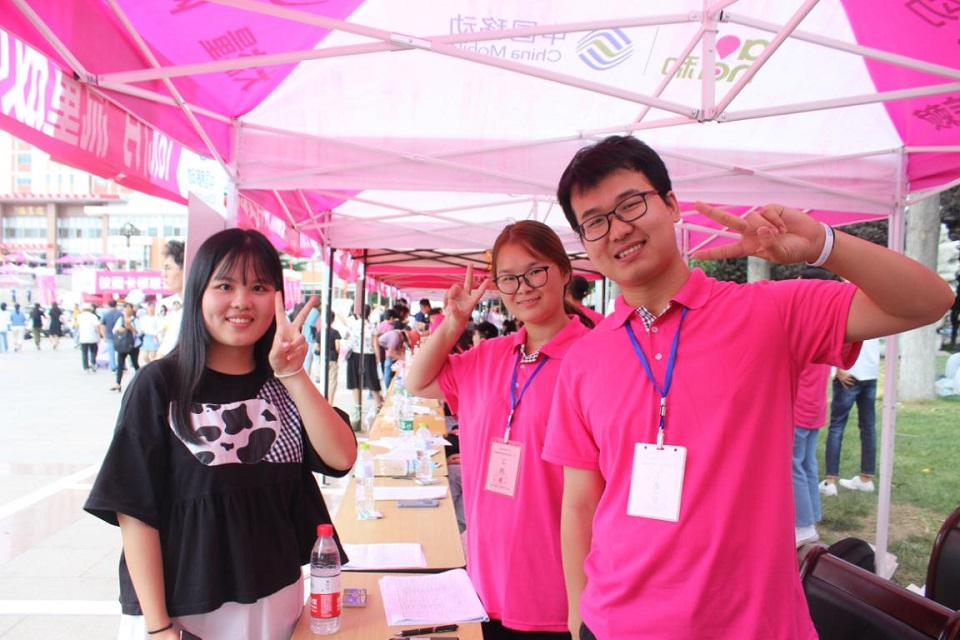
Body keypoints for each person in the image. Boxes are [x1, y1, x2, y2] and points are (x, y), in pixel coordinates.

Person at [541, 135, 953, 640]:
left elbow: (927, 301)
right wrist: (577, 617)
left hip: (753, 625)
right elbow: (580, 502)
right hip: (616, 622)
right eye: (595, 221)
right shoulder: (584, 358)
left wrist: (824, 246)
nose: (618, 229)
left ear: (671, 205)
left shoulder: (767, 313)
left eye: (631, 204)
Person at [83, 228, 357, 640]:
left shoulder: (284, 384)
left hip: (275, 603)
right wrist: (158, 626)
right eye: (225, 286)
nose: (242, 301)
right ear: (198, 293)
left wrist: (293, 374)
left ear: (278, 298)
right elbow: (134, 511)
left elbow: (341, 458)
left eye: (259, 287)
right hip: (183, 614)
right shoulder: (160, 384)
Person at [406, 220, 592, 640]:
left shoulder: (594, 358)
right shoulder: (488, 356)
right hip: (487, 581)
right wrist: (452, 323)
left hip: (560, 593)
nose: (522, 287)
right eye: (508, 278)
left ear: (564, 272)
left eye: (535, 271)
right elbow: (416, 382)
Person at [820, 337, 882, 496]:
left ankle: (830, 481)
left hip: (849, 370)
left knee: (837, 427)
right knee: (868, 427)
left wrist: (837, 367)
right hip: (870, 371)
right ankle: (865, 478)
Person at [343, 304, 382, 429]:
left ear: (358, 312)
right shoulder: (372, 326)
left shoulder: (353, 325)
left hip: (355, 355)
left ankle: (357, 406)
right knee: (372, 381)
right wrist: (378, 358)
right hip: (369, 356)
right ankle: (379, 405)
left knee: (355, 382)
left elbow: (347, 340)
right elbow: (375, 344)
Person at [156, 240, 185, 358]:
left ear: (186, 268)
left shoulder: (187, 312)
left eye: (168, 268)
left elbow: (160, 357)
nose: (163, 274)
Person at [111, 302, 140, 392]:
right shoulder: (120, 319)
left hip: (133, 345)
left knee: (135, 363)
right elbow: (114, 330)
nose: (127, 310)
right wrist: (119, 329)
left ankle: (141, 379)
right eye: (125, 308)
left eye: (129, 307)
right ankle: (118, 383)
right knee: (120, 364)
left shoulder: (135, 320)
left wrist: (131, 328)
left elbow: (139, 333)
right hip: (122, 345)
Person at [77, 303, 101, 372]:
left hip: (83, 336)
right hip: (92, 336)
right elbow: (97, 326)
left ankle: (86, 367)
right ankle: (92, 362)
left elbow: (79, 326)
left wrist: (79, 333)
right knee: (94, 350)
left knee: (84, 353)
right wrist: (99, 334)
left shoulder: (80, 316)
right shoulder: (93, 316)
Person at [99, 300, 123, 371]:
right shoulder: (120, 314)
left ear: (109, 305)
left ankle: (113, 366)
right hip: (119, 335)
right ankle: (121, 365)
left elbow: (103, 326)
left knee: (111, 352)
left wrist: (104, 336)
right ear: (116, 305)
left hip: (109, 335)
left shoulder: (106, 314)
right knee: (120, 352)